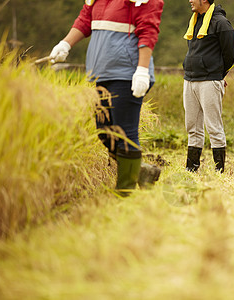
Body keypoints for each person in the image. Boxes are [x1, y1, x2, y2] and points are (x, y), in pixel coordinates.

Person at [49, 0, 164, 195]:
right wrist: (65, 44)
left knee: (125, 133)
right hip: (103, 73)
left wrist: (142, 70)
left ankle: (125, 192)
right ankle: (142, 170)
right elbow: (85, 20)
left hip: (128, 73)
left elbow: (148, 31)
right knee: (104, 131)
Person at [182, 0, 234, 173]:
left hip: (210, 81)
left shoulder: (221, 23)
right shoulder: (195, 19)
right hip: (189, 79)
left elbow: (229, 55)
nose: (190, 0)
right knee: (192, 126)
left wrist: (219, 76)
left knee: (213, 126)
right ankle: (192, 168)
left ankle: (219, 171)